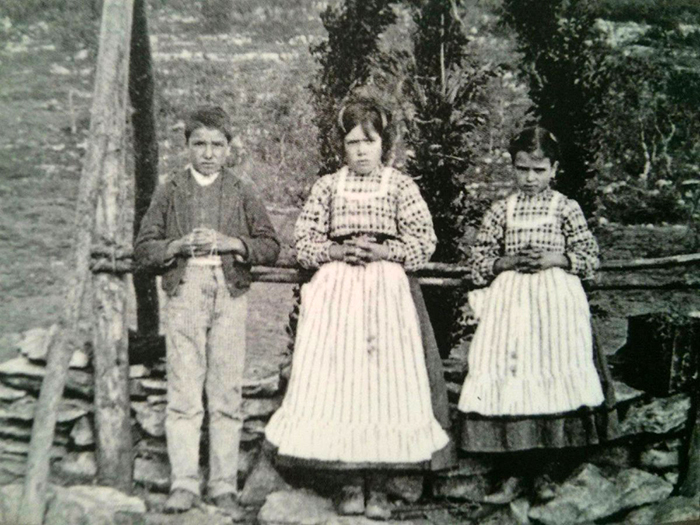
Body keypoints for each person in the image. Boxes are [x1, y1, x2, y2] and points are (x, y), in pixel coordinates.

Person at [264, 98, 450, 520]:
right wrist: (335, 250)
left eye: (370, 142)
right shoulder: (328, 187)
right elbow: (303, 240)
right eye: (353, 143)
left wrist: (385, 250)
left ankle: (379, 485)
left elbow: (424, 241)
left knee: (385, 383)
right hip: (339, 293)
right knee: (343, 384)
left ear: (384, 143)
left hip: (387, 292)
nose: (361, 151)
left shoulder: (400, 186)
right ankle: (348, 481)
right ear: (342, 146)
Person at [134, 106, 280, 517]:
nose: (209, 153)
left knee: (226, 391)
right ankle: (183, 483)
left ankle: (222, 485)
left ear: (229, 148)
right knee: (183, 390)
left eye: (218, 144)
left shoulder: (241, 189)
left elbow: (270, 244)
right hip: (184, 291)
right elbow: (144, 249)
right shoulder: (171, 189)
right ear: (187, 146)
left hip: (229, 294)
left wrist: (232, 242)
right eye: (200, 143)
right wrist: (177, 246)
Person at [457, 126, 617, 489]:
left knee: (551, 370)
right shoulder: (501, 210)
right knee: (513, 376)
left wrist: (553, 258)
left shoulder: (566, 208)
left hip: (555, 306)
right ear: (513, 167)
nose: (530, 178)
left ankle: (546, 471)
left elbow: (589, 257)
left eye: (539, 170)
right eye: (522, 169)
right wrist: (509, 261)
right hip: (511, 307)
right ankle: (513, 468)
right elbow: (479, 260)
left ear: (554, 169)